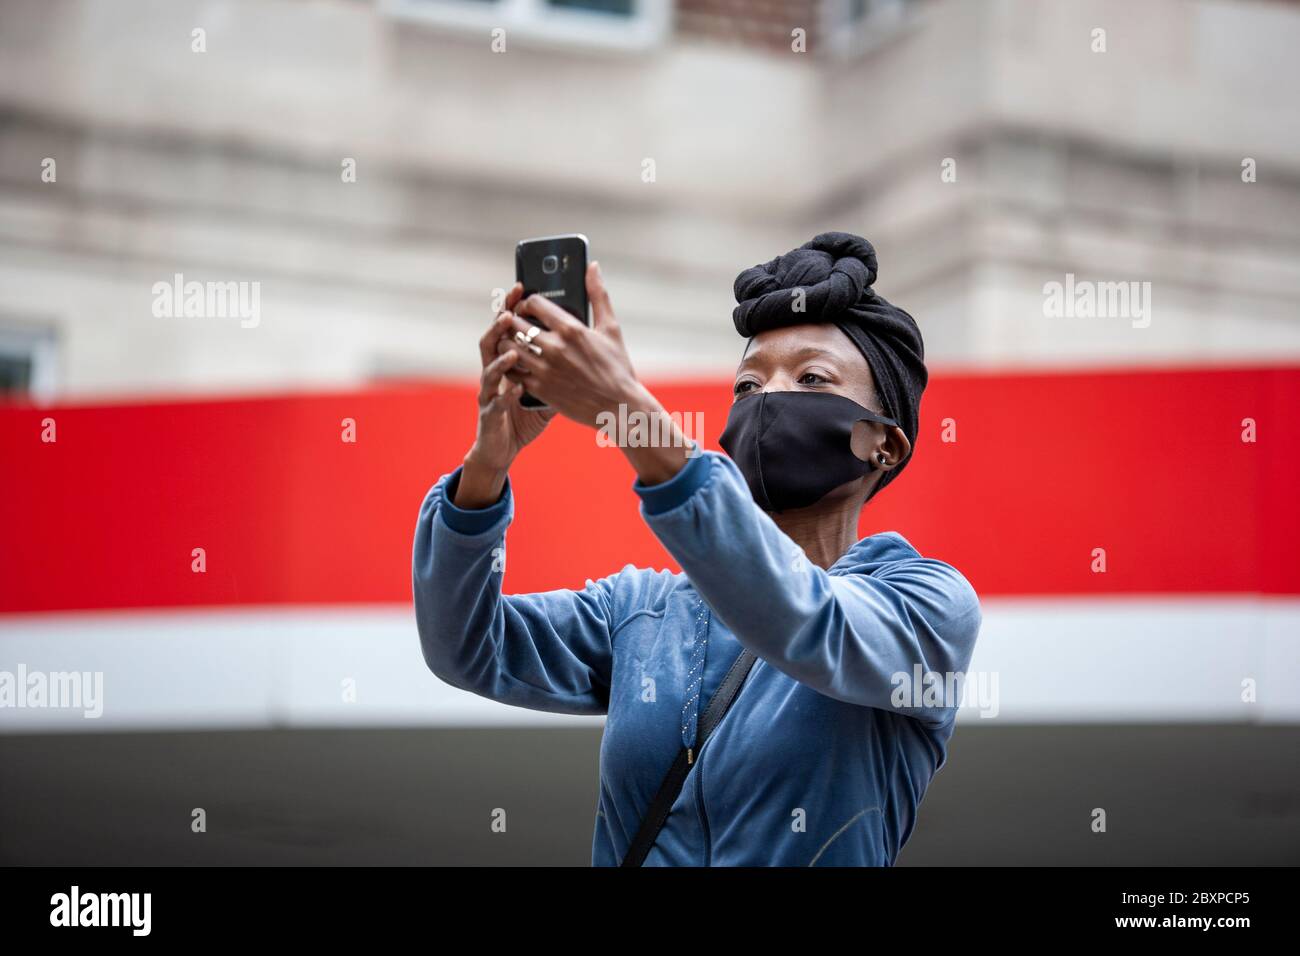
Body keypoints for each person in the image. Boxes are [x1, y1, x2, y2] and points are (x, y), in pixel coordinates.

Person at [412, 232, 981, 866]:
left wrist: (627, 412)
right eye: (746, 385)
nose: (767, 399)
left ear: (885, 445)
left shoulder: (926, 606)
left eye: (811, 376)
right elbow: (465, 646)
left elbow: (804, 619)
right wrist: (488, 462)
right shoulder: (642, 612)